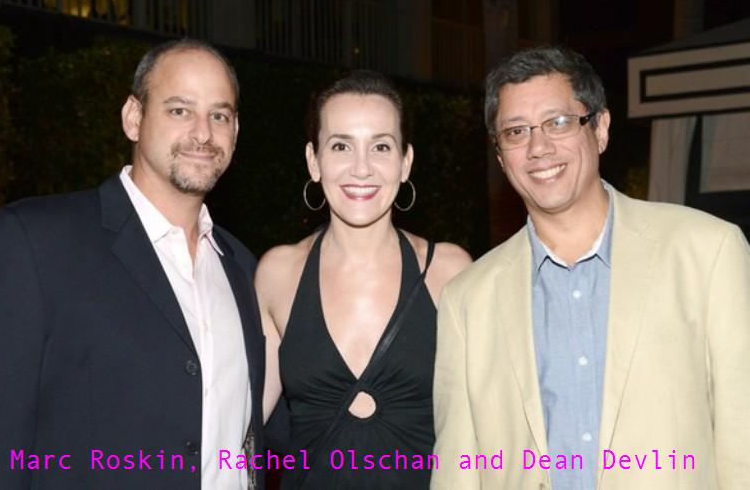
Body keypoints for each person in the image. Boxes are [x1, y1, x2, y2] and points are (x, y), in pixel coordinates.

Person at [432, 46, 750, 489]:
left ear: (600, 128)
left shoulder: (707, 252)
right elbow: (458, 467)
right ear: (501, 156)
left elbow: (742, 435)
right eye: (516, 131)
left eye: (559, 122)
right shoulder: (467, 300)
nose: (539, 147)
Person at [0, 39, 266, 489]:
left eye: (219, 116)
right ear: (133, 118)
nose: (202, 133)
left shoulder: (245, 270)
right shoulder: (35, 243)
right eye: (180, 110)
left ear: (235, 131)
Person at [256, 70, 471, 489]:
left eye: (381, 146)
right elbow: (242, 424)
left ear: (405, 162)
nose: (361, 168)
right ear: (313, 161)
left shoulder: (449, 271)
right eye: (341, 146)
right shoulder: (278, 274)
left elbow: (489, 418)